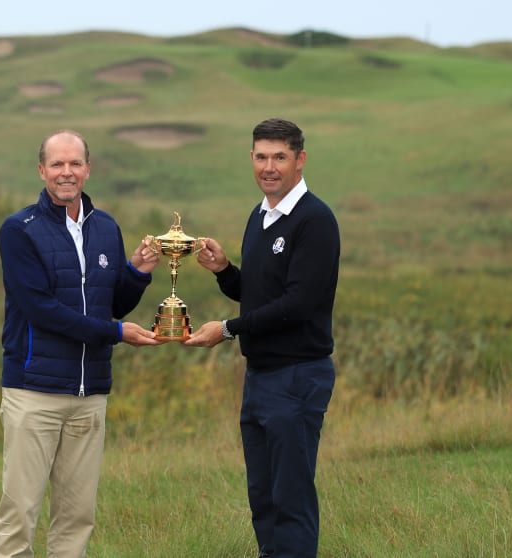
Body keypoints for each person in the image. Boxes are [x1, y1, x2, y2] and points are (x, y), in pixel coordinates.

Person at [0, 129, 163, 558]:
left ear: (88, 169)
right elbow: (41, 310)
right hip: (34, 391)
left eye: (74, 164)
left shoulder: (106, 227)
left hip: (91, 395)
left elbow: (113, 304)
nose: (65, 172)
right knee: (19, 514)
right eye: (57, 164)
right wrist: (117, 334)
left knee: (77, 517)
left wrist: (137, 273)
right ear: (42, 171)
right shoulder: (18, 230)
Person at [184, 118, 341, 558]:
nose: (269, 167)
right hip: (260, 377)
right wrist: (224, 271)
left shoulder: (315, 220)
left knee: (290, 496)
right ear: (251, 158)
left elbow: (297, 305)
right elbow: (257, 295)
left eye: (279, 157)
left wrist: (227, 329)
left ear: (300, 160)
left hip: (297, 376)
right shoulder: (260, 216)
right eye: (261, 157)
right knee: (264, 495)